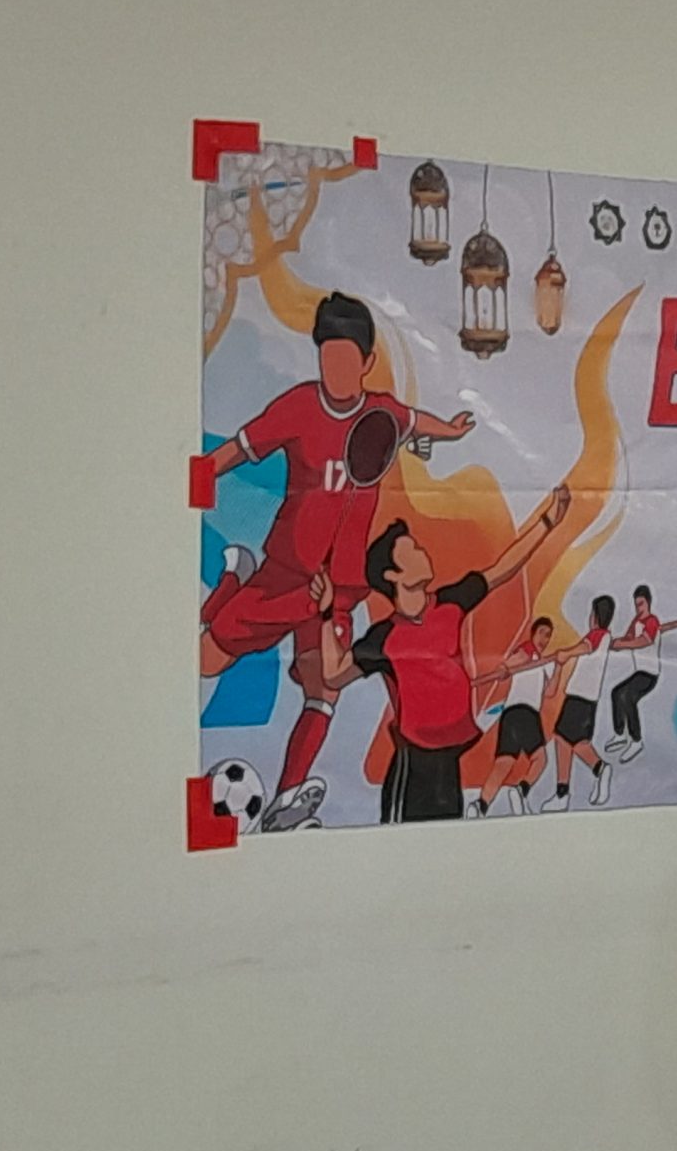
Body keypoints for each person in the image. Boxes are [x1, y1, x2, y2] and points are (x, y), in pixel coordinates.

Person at [199, 292, 476, 800]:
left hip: (339, 589)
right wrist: (197, 477)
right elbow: (239, 448)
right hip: (283, 574)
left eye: (347, 360)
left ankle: (287, 797)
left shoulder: (381, 413)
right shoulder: (299, 406)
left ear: (367, 362)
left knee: (324, 683)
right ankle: (235, 580)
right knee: (203, 662)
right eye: (328, 359)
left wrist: (451, 432)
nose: (337, 371)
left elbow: (414, 420)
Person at [316, 486, 570, 823]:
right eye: (412, 550)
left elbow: (503, 569)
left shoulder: (450, 602)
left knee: (446, 842)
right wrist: (326, 614)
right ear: (393, 575)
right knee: (404, 845)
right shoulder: (384, 637)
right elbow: (333, 674)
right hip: (412, 769)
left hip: (449, 766)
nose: (423, 552)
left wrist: (548, 522)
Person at [472, 617, 560, 815]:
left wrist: (558, 667)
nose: (544, 639)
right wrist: (504, 669)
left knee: (503, 764)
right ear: (533, 633)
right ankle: (521, 790)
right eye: (541, 633)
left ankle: (480, 805)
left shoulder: (544, 662)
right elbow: (510, 662)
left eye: (548, 635)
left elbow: (550, 692)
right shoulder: (528, 650)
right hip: (524, 713)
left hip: (511, 716)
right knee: (540, 759)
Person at [542, 595, 620, 810]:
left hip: (579, 697)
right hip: (584, 698)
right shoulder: (605, 638)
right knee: (571, 741)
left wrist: (566, 653)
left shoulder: (598, 635)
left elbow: (585, 647)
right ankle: (563, 792)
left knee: (565, 739)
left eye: (591, 613)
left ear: (596, 616)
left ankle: (598, 769)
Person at [604, 586, 677, 763]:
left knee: (628, 697)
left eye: (641, 604)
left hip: (649, 674)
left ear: (648, 602)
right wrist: (613, 643)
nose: (639, 608)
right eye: (636, 605)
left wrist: (622, 645)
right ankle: (620, 734)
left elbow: (644, 641)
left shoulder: (652, 621)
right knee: (616, 693)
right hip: (639, 672)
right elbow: (628, 638)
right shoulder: (636, 621)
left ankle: (636, 741)